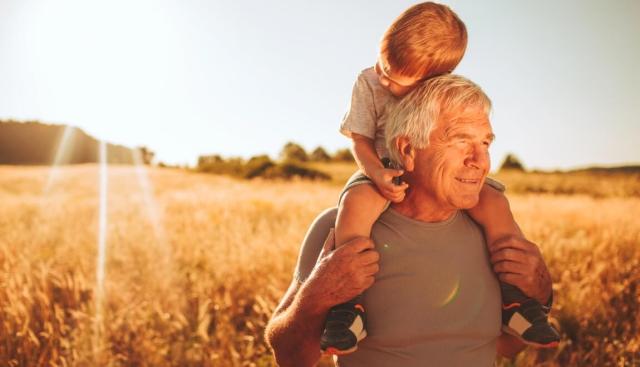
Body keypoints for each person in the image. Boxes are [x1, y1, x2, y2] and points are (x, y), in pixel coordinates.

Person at [265, 74, 556, 366]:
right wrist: (316, 295)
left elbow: (508, 347)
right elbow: (290, 357)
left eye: (485, 143)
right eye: (460, 141)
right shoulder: (340, 230)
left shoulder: (495, 231)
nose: (480, 161)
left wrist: (541, 293)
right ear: (407, 150)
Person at [329, 1, 558, 354]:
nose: (384, 77)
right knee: (358, 202)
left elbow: (501, 351)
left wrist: (541, 287)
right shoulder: (369, 81)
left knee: (495, 201)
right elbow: (359, 139)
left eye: (395, 76)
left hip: (415, 168)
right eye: (383, 63)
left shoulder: (438, 93)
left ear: (430, 78)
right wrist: (376, 172)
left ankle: (518, 303)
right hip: (380, 167)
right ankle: (347, 307)